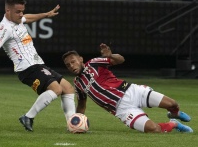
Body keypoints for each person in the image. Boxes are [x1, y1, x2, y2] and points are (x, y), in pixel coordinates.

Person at [0, 0, 76, 132]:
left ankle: (72, 124)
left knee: (68, 88)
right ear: (7, 11)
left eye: (22, 11)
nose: (21, 14)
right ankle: (28, 117)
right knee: (56, 89)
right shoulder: (5, 28)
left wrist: (46, 14)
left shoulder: (18, 20)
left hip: (38, 64)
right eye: (18, 12)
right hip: (27, 69)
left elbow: (27, 18)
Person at [62, 43, 193, 133]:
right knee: (154, 130)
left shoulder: (94, 63)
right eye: (68, 65)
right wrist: (76, 122)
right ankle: (174, 123)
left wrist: (111, 55)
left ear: (80, 59)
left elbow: (121, 60)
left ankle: (174, 113)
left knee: (173, 104)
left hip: (132, 91)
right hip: (122, 110)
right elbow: (82, 104)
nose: (71, 66)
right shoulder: (78, 84)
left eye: (73, 61)